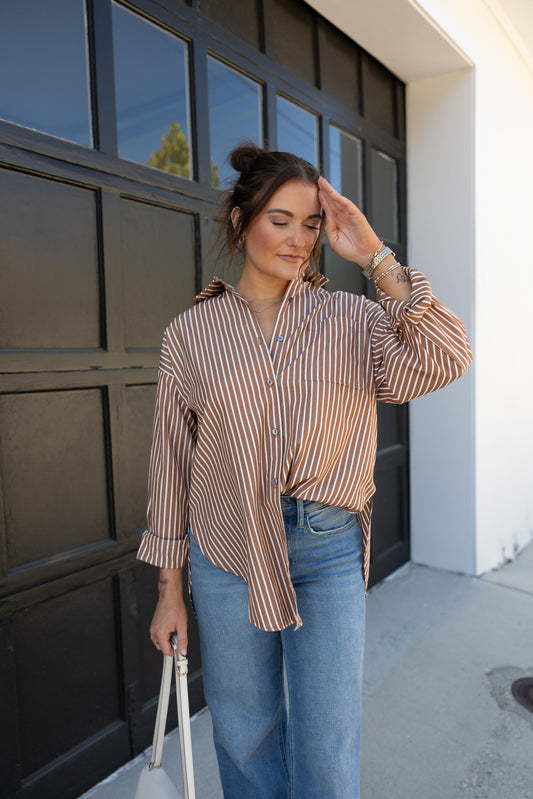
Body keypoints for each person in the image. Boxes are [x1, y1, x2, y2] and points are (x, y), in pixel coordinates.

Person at [137, 144, 472, 798]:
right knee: (244, 729)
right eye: (280, 219)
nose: (298, 239)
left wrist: (375, 256)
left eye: (311, 224)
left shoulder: (352, 319)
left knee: (326, 735)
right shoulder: (190, 334)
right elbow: (171, 466)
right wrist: (168, 590)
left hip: (325, 546)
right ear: (240, 221)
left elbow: (445, 355)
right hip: (226, 550)